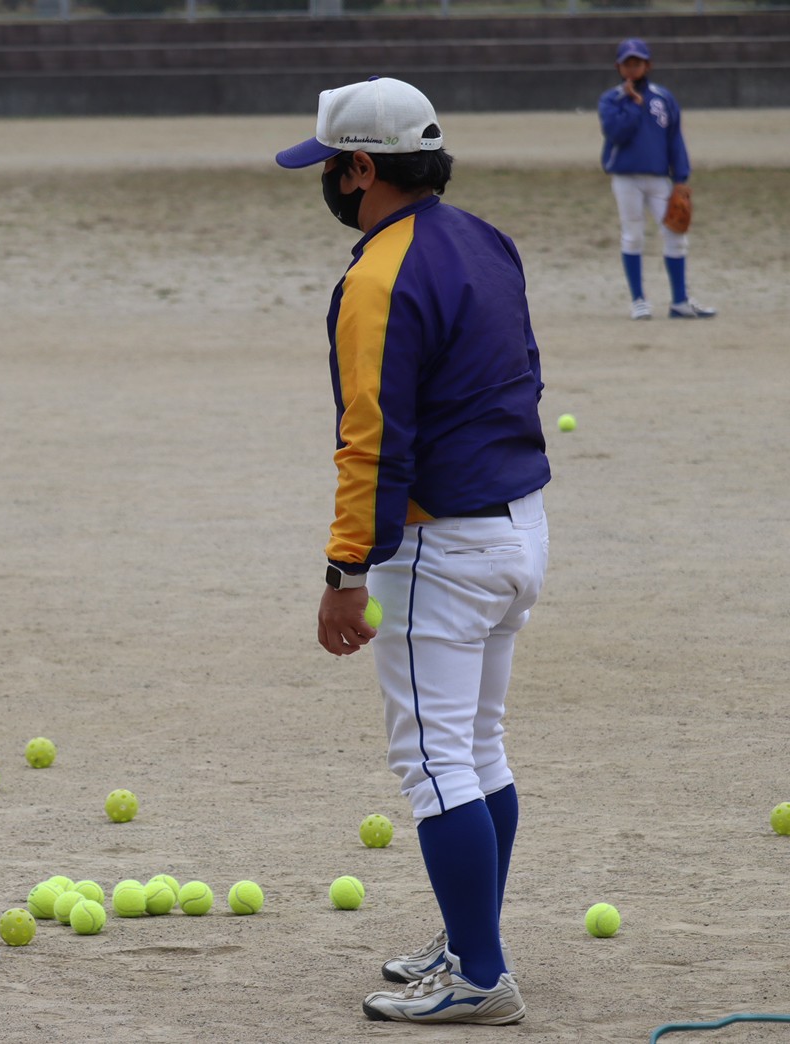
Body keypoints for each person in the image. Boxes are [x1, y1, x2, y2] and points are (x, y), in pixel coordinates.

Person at [275, 76, 551, 1026]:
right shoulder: (487, 239)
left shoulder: (377, 275)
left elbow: (371, 438)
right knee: (476, 750)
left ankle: (480, 974)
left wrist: (345, 571)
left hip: (444, 546)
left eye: (328, 166)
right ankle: (471, 943)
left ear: (361, 168)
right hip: (520, 524)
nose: (324, 183)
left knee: (435, 765)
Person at [598, 37, 715, 320]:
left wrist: (681, 176)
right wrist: (633, 105)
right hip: (626, 179)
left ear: (648, 65)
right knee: (633, 235)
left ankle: (679, 301)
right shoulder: (610, 100)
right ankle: (639, 300)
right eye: (627, 64)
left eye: (638, 63)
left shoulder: (664, 98)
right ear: (618, 67)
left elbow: (675, 138)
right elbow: (616, 134)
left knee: (676, 233)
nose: (632, 69)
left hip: (660, 178)